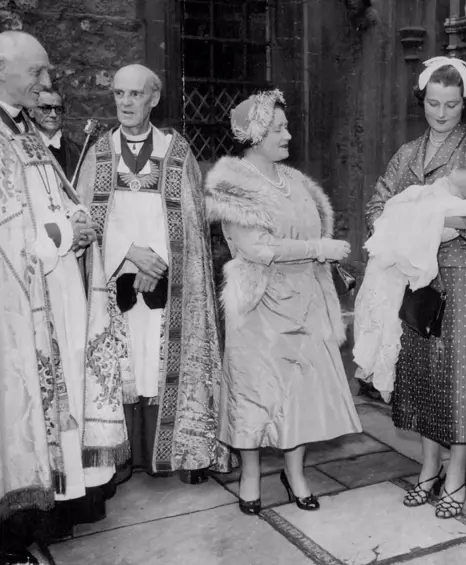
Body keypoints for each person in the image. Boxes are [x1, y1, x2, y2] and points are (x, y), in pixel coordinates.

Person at [0, 31, 127, 564]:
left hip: (54, 293)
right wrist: (60, 235)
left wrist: (75, 220)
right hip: (19, 302)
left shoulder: (24, 130)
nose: (47, 83)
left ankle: (36, 523)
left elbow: (56, 196)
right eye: (37, 73)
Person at [204, 89, 362, 516]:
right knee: (254, 393)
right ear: (254, 136)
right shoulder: (233, 184)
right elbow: (256, 248)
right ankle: (250, 475)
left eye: (286, 126)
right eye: (277, 128)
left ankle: (295, 474)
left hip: (305, 299)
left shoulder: (294, 182)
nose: (288, 134)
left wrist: (317, 252)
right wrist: (319, 248)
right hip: (260, 302)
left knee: (300, 394)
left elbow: (310, 232)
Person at [365, 56, 466, 519]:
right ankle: (428, 466)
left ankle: (457, 473)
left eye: (450, 105)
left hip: (465, 276)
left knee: (461, 375)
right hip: (417, 275)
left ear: (464, 104)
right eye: (432, 104)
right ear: (421, 101)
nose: (441, 114)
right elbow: (378, 203)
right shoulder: (408, 153)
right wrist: (406, 224)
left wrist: (449, 225)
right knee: (423, 371)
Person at [77, 64, 231, 485]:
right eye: (119, 94)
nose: (125, 103)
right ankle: (119, 458)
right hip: (114, 283)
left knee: (161, 361)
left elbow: (193, 223)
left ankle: (182, 450)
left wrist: (156, 262)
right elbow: (87, 215)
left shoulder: (176, 152)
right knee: (125, 365)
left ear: (154, 98)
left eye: (135, 94)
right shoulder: (99, 152)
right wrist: (130, 254)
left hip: (170, 281)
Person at [354, 168, 466, 401]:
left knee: (386, 315)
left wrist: (418, 218)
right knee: (377, 309)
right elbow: (388, 205)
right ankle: (373, 372)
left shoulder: (448, 202)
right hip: (390, 259)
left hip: (405, 268)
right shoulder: (422, 190)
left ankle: (379, 373)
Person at [29, 88, 82, 180]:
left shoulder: (79, 152)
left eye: (58, 109)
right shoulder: (21, 147)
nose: (53, 115)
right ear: (31, 112)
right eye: (45, 108)